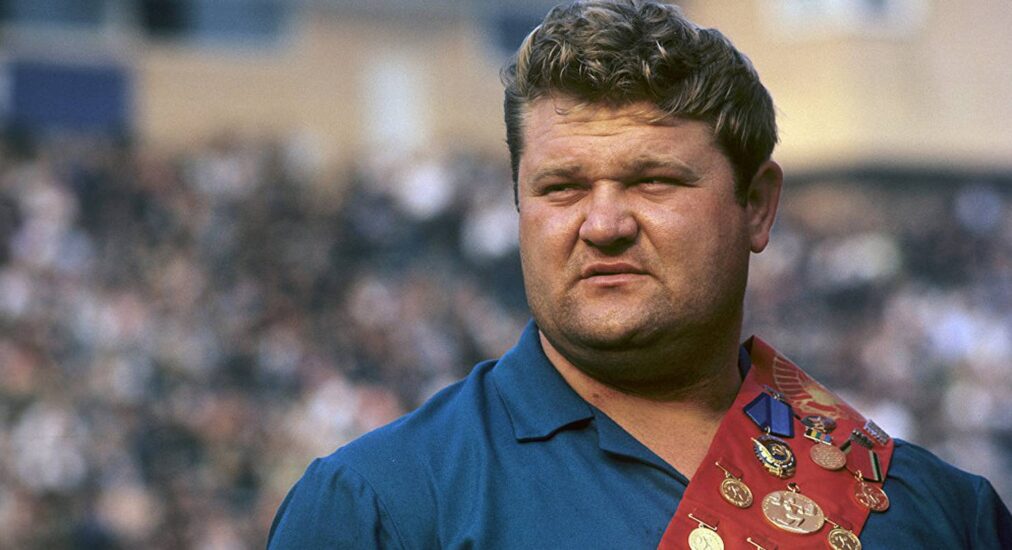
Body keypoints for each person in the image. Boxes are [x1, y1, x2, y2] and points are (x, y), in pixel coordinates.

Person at [268, 1, 1012, 548]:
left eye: (653, 181)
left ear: (757, 206)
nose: (603, 224)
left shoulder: (940, 514)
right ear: (518, 205)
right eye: (561, 187)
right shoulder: (382, 506)